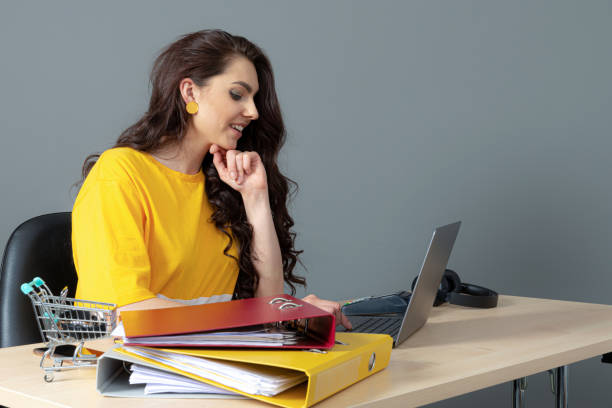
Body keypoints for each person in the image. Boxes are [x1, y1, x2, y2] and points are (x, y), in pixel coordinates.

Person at [72, 29, 351, 329]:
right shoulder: (120, 175)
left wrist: (255, 198)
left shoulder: (221, 184)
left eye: (254, 98)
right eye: (237, 94)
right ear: (190, 93)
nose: (253, 112)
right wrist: (266, 314)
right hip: (134, 367)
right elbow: (126, 309)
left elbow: (269, 305)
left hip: (208, 362)